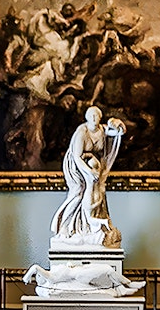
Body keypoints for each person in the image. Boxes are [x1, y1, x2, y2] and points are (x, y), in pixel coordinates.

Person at [50, 106, 126, 247]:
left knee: (99, 191)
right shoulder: (82, 133)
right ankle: (64, 227)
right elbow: (77, 157)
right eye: (91, 115)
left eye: (96, 115)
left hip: (93, 165)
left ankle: (89, 226)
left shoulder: (102, 130)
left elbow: (119, 132)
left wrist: (117, 123)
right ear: (86, 117)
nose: (94, 118)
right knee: (78, 192)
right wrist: (89, 172)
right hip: (76, 165)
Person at [22, 262, 146, 297]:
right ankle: (126, 287)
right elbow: (36, 268)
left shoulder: (53, 272)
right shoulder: (52, 278)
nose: (39, 278)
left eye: (38, 277)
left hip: (82, 270)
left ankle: (126, 286)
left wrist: (27, 276)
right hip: (81, 275)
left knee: (108, 269)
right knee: (107, 269)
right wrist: (27, 275)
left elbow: (36, 268)